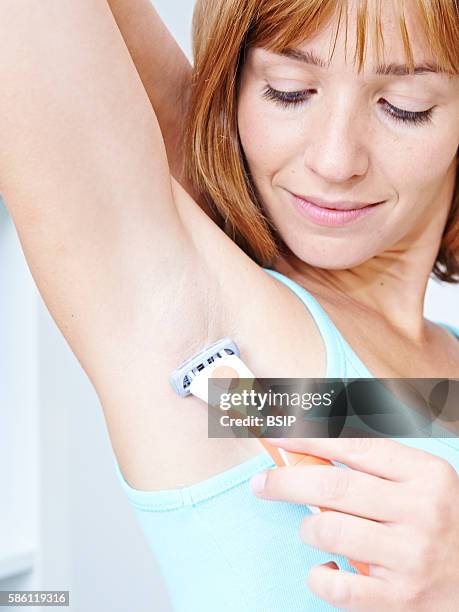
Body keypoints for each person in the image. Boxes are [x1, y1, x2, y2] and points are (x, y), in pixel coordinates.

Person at [1, 0, 458, 610]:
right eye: (288, 92)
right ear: (234, 89)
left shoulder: (443, 376)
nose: (333, 161)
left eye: (405, 106)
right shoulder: (220, 330)